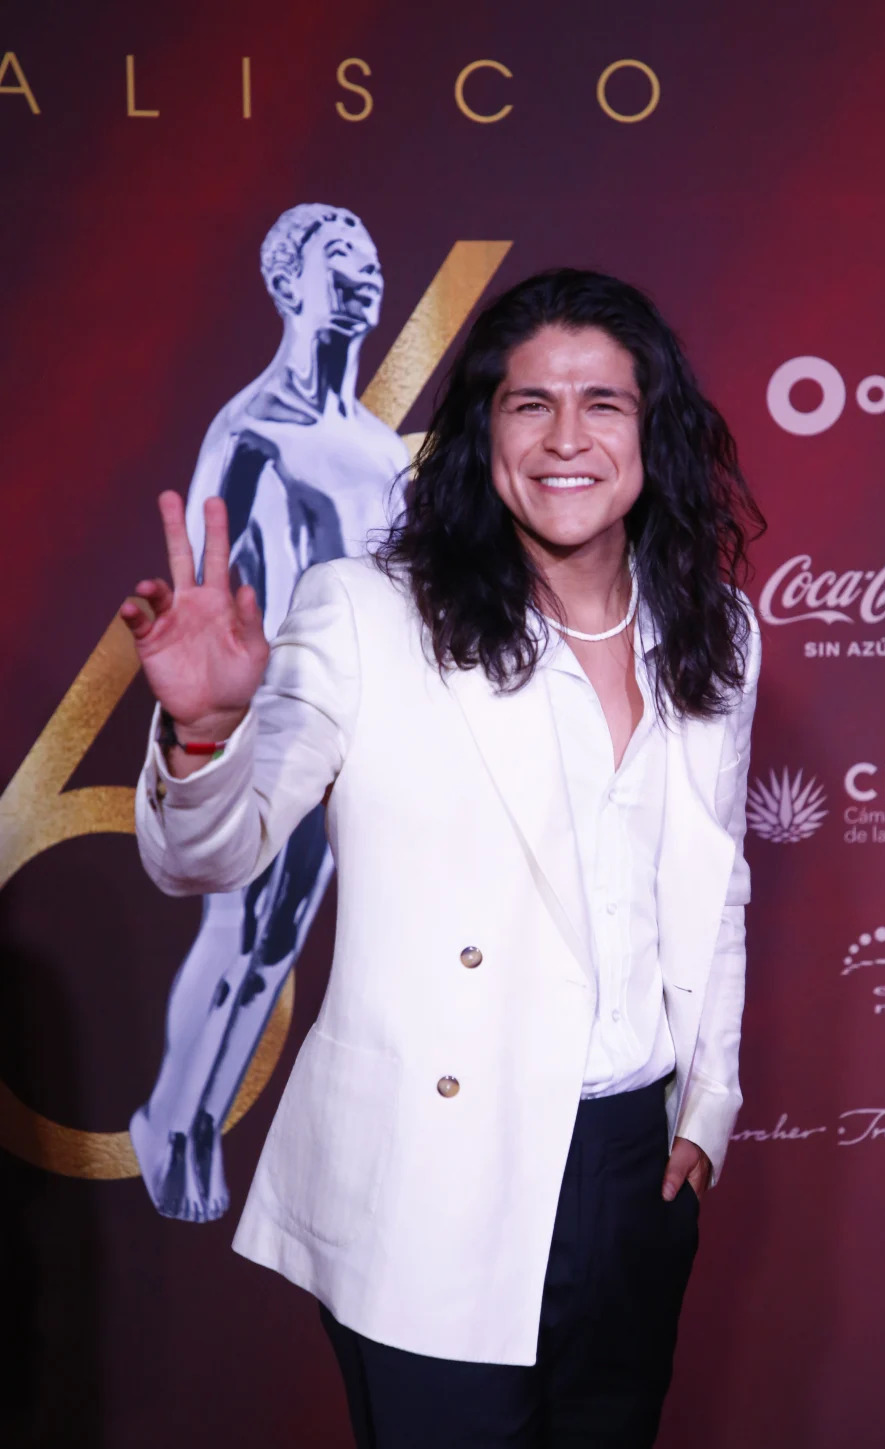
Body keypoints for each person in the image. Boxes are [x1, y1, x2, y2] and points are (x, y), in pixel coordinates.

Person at [124, 268, 764, 1448]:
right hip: (436, 1171)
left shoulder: (716, 627)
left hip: (633, 1168)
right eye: (530, 404)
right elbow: (209, 856)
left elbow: (717, 881)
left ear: (651, 431)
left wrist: (708, 1104)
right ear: (483, 431)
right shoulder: (368, 612)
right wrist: (207, 729)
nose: (566, 438)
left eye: (603, 404)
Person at [129, 203, 408, 1223]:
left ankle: (194, 1117)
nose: (367, 279)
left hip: (369, 726)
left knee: (281, 934)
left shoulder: (385, 452)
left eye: (373, 263)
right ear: (290, 283)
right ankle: (174, 1118)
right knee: (239, 919)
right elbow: (210, 587)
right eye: (343, 263)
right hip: (274, 712)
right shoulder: (251, 431)